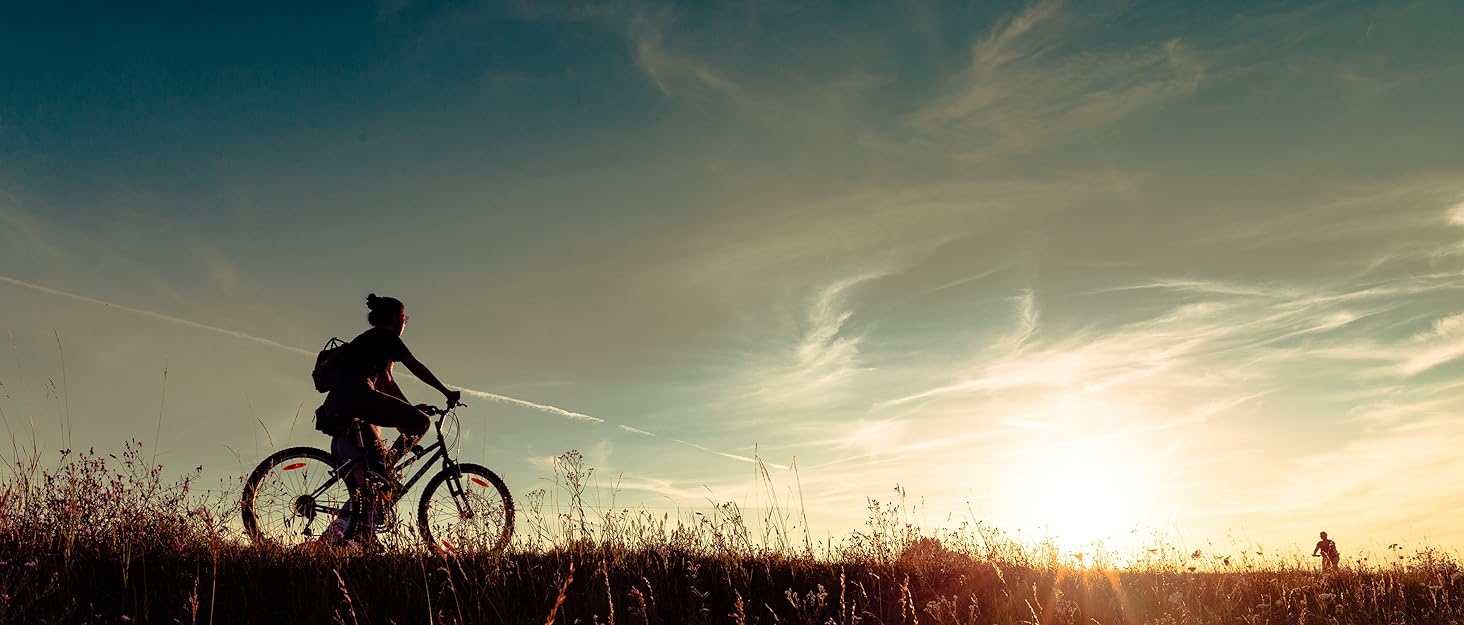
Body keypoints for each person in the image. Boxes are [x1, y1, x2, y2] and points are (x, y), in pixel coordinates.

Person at [318, 294, 462, 546]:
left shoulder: (372, 344)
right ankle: (386, 468)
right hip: (358, 397)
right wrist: (446, 392)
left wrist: (407, 410)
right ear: (395, 319)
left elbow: (386, 383)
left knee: (370, 482)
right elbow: (416, 366)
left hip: (338, 405)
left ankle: (356, 533)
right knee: (422, 424)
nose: (405, 322)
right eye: (404, 317)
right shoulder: (387, 338)